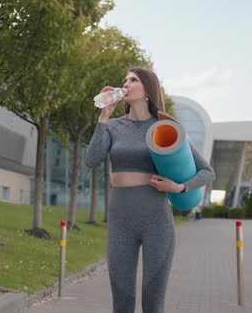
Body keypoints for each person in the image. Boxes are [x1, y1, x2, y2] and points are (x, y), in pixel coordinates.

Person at [85, 67, 215, 313]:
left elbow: (206, 171)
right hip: (120, 221)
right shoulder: (112, 126)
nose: (126, 84)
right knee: (122, 302)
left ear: (147, 90)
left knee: (152, 303)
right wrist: (103, 116)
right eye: (125, 79)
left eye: (133, 80)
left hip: (156, 221)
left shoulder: (164, 127)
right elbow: (91, 160)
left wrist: (179, 187)